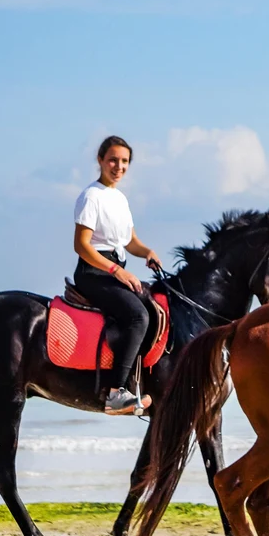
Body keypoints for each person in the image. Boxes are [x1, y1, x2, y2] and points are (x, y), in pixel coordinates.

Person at [73, 135, 162, 415]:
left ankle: (144, 383)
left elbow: (130, 242)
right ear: (100, 160)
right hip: (93, 272)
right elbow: (82, 245)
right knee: (138, 316)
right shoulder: (91, 196)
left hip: (115, 269)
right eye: (113, 159)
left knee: (154, 308)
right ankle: (116, 393)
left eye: (124, 161)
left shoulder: (120, 199)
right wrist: (116, 270)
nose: (118, 166)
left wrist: (147, 251)